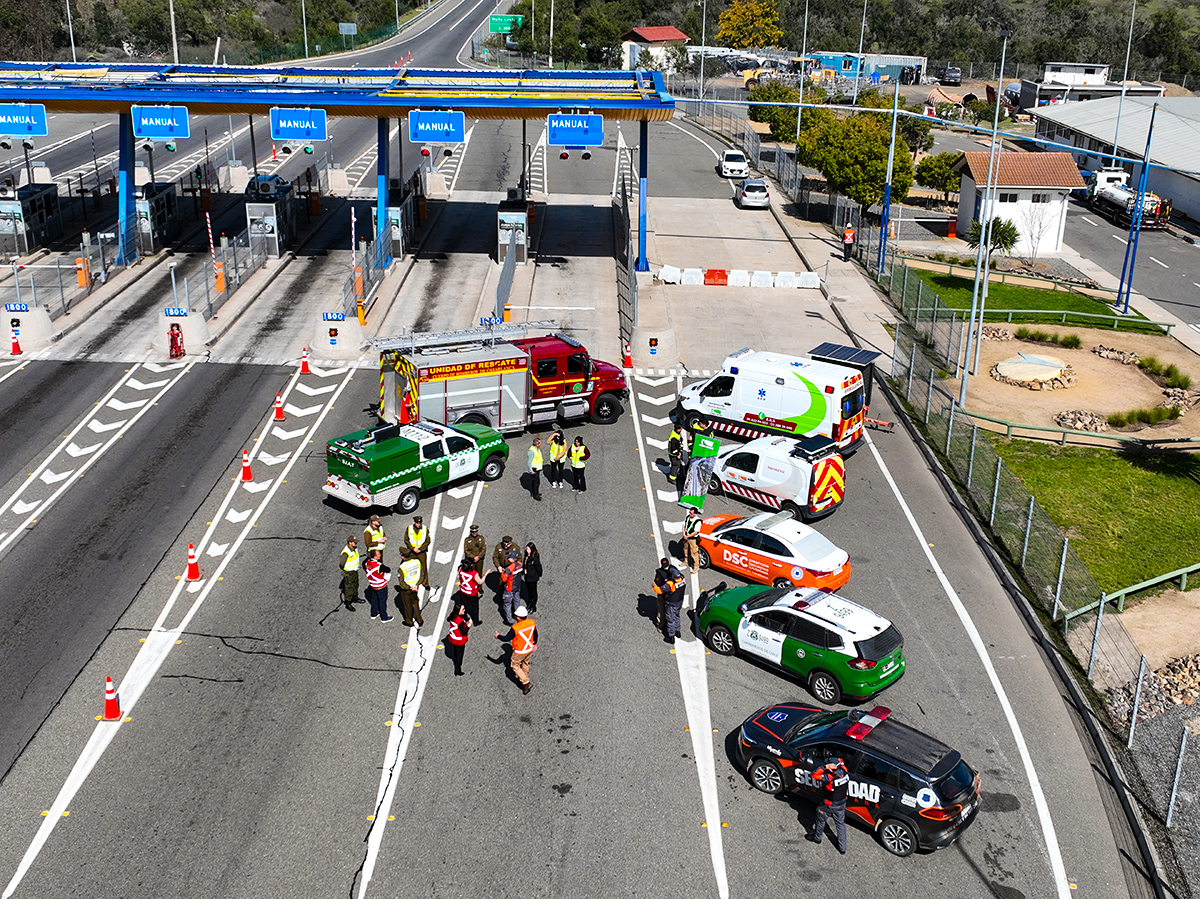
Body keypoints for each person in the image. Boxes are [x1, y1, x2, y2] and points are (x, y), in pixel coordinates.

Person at [810, 756, 850, 854]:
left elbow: (813, 775)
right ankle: (842, 848)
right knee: (840, 824)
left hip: (830, 804)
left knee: (820, 819)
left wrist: (825, 767)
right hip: (842, 803)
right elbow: (841, 760)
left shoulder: (829, 777)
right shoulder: (844, 770)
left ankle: (817, 838)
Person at [494, 605, 538, 694]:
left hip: (520, 651)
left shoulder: (516, 628)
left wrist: (498, 636)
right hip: (529, 648)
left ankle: (526, 682)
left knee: (515, 665)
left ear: (518, 617)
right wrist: (534, 643)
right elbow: (535, 634)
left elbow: (507, 638)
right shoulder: (531, 623)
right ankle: (524, 677)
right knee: (525, 663)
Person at [653, 557, 686, 643]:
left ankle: (671, 637)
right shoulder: (682, 579)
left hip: (671, 602)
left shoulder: (670, 583)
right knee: (677, 616)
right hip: (679, 602)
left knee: (670, 619)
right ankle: (677, 631)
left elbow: (659, 590)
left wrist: (654, 586)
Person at [364, 549, 394, 622]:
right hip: (381, 586)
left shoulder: (367, 562)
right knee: (382, 601)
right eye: (378, 554)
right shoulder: (378, 566)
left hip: (372, 585)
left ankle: (373, 613)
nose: (380, 555)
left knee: (374, 599)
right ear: (375, 557)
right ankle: (384, 617)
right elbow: (388, 569)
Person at [401, 515, 430, 588]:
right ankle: (411, 582)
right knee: (410, 566)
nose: (419, 524)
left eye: (420, 523)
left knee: (424, 567)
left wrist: (420, 549)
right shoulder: (409, 529)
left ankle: (425, 583)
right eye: (417, 523)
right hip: (412, 552)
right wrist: (412, 548)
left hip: (421, 552)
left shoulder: (425, 529)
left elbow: (427, 541)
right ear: (414, 522)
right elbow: (406, 540)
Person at [456, 557, 485, 624]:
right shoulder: (474, 573)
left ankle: (465, 617)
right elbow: (480, 582)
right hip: (472, 593)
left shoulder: (460, 569)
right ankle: (476, 621)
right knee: (475, 607)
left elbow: (458, 577)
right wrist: (485, 575)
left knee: (464, 605)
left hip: (463, 591)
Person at [446, 602, 472, 676]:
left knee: (455, 651)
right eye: (463, 609)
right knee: (460, 655)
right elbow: (463, 631)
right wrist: (469, 625)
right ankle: (458, 669)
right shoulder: (459, 621)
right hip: (459, 640)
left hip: (453, 638)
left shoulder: (452, 616)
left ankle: (455, 660)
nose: (464, 610)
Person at [397, 556, 424, 627]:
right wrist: (417, 585)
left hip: (406, 590)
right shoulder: (417, 562)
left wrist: (410, 587)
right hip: (415, 587)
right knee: (415, 603)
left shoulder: (402, 567)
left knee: (407, 606)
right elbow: (422, 575)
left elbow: (401, 582)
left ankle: (409, 622)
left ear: (403, 557)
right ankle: (420, 620)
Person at [499, 551, 524, 625]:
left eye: (509, 557)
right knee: (517, 602)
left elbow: (504, 579)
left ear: (511, 559)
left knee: (507, 604)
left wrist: (502, 573)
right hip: (518, 586)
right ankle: (518, 616)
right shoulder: (520, 564)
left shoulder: (509, 568)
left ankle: (509, 621)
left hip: (509, 588)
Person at [339, 535, 361, 610]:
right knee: (349, 587)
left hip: (354, 570)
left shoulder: (354, 549)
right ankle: (348, 602)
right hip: (349, 572)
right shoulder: (346, 552)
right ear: (350, 543)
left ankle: (355, 597)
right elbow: (342, 563)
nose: (356, 544)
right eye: (354, 542)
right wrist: (345, 570)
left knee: (355, 584)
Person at [522, 542, 543, 613]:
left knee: (533, 592)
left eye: (528, 549)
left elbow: (538, 567)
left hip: (532, 578)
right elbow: (524, 563)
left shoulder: (535, 557)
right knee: (528, 592)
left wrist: (538, 575)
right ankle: (529, 604)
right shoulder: (526, 555)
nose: (526, 550)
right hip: (527, 577)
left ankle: (533, 606)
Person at [682, 507, 703, 573]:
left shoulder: (698, 521)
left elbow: (695, 532)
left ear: (695, 514)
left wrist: (687, 536)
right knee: (686, 550)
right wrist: (684, 534)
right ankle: (686, 561)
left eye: (691, 513)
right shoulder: (688, 517)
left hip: (692, 539)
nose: (690, 514)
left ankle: (696, 567)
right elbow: (683, 525)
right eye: (690, 512)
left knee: (694, 553)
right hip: (686, 537)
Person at [527, 437, 544, 501]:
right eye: (540, 443)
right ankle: (535, 495)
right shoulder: (532, 451)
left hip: (537, 468)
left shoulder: (537, 449)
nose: (540, 444)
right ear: (536, 444)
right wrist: (530, 470)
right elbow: (529, 462)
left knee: (535, 482)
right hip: (534, 469)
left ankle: (534, 492)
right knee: (536, 482)